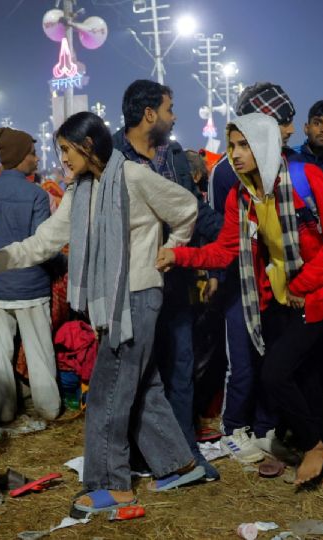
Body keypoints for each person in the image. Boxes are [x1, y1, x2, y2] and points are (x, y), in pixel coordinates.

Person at [0, 111, 203, 514]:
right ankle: (179, 463)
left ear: (88, 146)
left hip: (137, 296)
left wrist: (171, 250)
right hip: (109, 301)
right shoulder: (81, 191)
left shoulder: (134, 178)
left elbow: (185, 208)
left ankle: (114, 485)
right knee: (140, 384)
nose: (63, 159)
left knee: (109, 392)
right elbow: (42, 242)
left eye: (67, 150)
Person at [157, 112, 323, 488]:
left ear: (264, 144)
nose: (236, 154)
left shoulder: (304, 178)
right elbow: (224, 251)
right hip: (281, 297)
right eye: (232, 146)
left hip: (320, 293)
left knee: (275, 373)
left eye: (244, 145)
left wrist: (303, 283)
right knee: (308, 380)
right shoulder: (242, 195)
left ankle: (314, 446)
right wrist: (179, 256)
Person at [112, 79, 222, 481]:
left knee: (180, 367)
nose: (174, 118)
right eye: (170, 109)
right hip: (130, 283)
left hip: (174, 280)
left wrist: (231, 239)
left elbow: (193, 209)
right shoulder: (110, 157)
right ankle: (135, 455)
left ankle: (185, 453)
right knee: (135, 373)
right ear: (149, 114)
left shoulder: (173, 156)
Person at [207, 82, 297, 463]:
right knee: (241, 363)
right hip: (239, 283)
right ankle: (233, 429)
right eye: (282, 121)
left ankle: (264, 427)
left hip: (276, 284)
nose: (289, 129)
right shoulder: (226, 174)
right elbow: (220, 233)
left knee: (272, 360)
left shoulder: (287, 165)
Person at [0, 127, 60, 424]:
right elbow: (41, 245)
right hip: (30, 286)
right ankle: (48, 409)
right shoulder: (36, 195)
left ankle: (1, 411)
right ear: (21, 157)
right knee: (39, 353)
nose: (36, 159)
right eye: (32, 153)